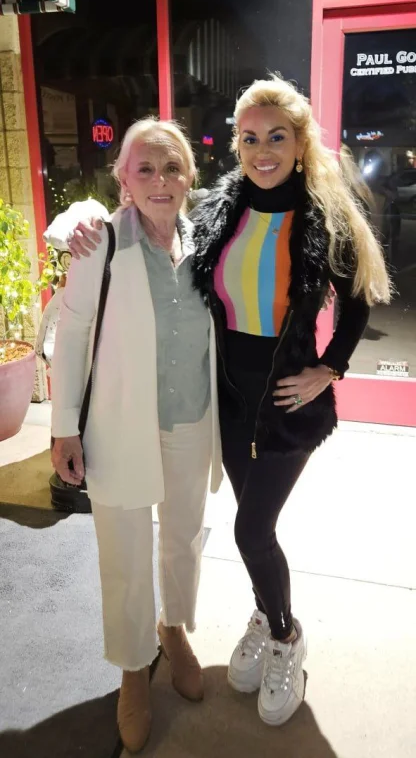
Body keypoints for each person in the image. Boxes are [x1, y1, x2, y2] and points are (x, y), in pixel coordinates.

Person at [65, 74, 390, 729]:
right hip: (200, 410)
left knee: (235, 532)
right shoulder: (208, 215)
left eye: (276, 137)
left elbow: (358, 296)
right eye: (249, 138)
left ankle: (266, 634)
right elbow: (83, 315)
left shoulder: (307, 219)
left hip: (263, 409)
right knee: (181, 541)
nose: (262, 150)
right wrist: (81, 219)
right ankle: (174, 649)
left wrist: (330, 367)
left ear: (300, 143)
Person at [50, 118, 222, 754]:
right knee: (123, 550)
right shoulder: (101, 242)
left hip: (192, 418)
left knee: (183, 536)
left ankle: (173, 629)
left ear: (189, 177)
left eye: (172, 167)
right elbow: (72, 335)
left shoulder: (206, 240)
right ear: (122, 177)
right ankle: (131, 667)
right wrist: (63, 427)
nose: (159, 180)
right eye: (144, 168)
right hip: (120, 424)